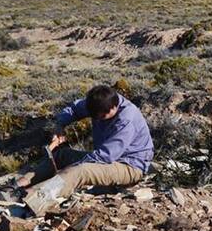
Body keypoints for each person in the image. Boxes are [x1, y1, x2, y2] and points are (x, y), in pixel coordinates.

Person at [15, 85, 154, 204]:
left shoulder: (126, 120)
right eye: (94, 116)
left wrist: (73, 167)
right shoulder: (99, 103)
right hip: (107, 159)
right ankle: (17, 187)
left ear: (114, 107)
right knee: (62, 155)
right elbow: (73, 109)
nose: (98, 119)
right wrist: (59, 125)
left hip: (129, 166)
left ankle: (36, 198)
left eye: (102, 117)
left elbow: (106, 156)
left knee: (80, 171)